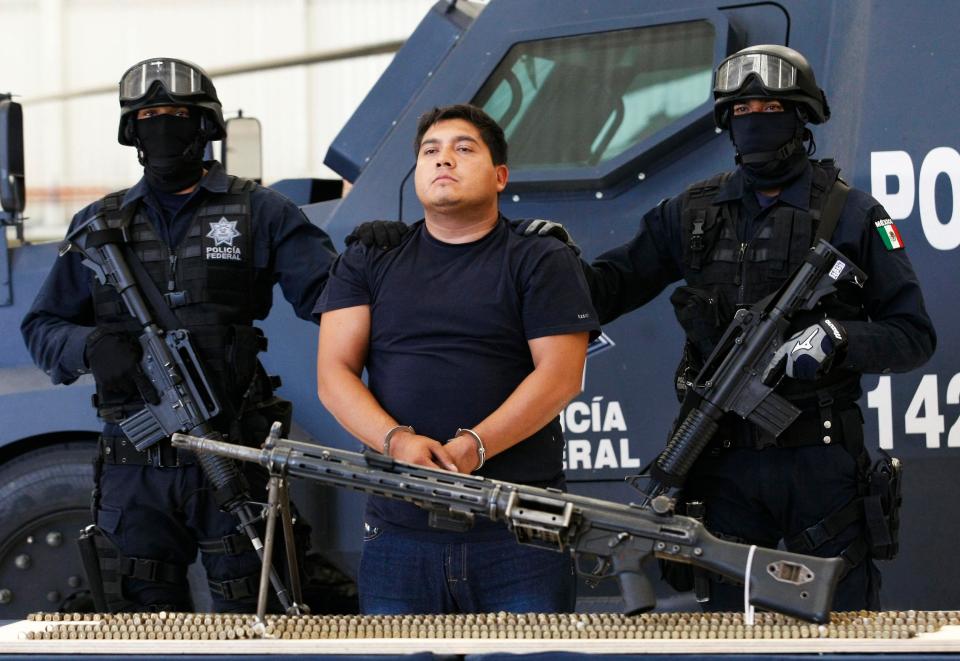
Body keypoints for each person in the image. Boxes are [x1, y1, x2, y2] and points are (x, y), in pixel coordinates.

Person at [527, 45, 935, 611]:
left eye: (769, 106)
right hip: (720, 464)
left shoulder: (854, 215)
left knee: (843, 628)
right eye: (741, 112)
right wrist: (550, 259)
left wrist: (838, 339)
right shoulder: (690, 214)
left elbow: (913, 334)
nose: (755, 121)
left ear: (801, 116)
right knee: (728, 630)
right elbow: (605, 291)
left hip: (820, 467)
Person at [21, 57, 338, 612]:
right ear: (132, 132)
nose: (162, 127)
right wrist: (88, 349)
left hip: (232, 450)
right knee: (137, 620)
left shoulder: (259, 211)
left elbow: (334, 298)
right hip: (133, 467)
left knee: (258, 609)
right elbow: (42, 326)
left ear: (205, 125)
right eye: (148, 116)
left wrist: (388, 258)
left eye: (175, 115)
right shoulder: (99, 224)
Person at [314, 104, 599, 615]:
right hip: (399, 537)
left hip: (520, 533)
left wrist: (474, 447)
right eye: (430, 151)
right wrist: (396, 442)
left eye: (464, 148)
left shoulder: (540, 258)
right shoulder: (368, 257)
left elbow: (560, 376)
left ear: (500, 176)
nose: (444, 159)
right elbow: (333, 374)